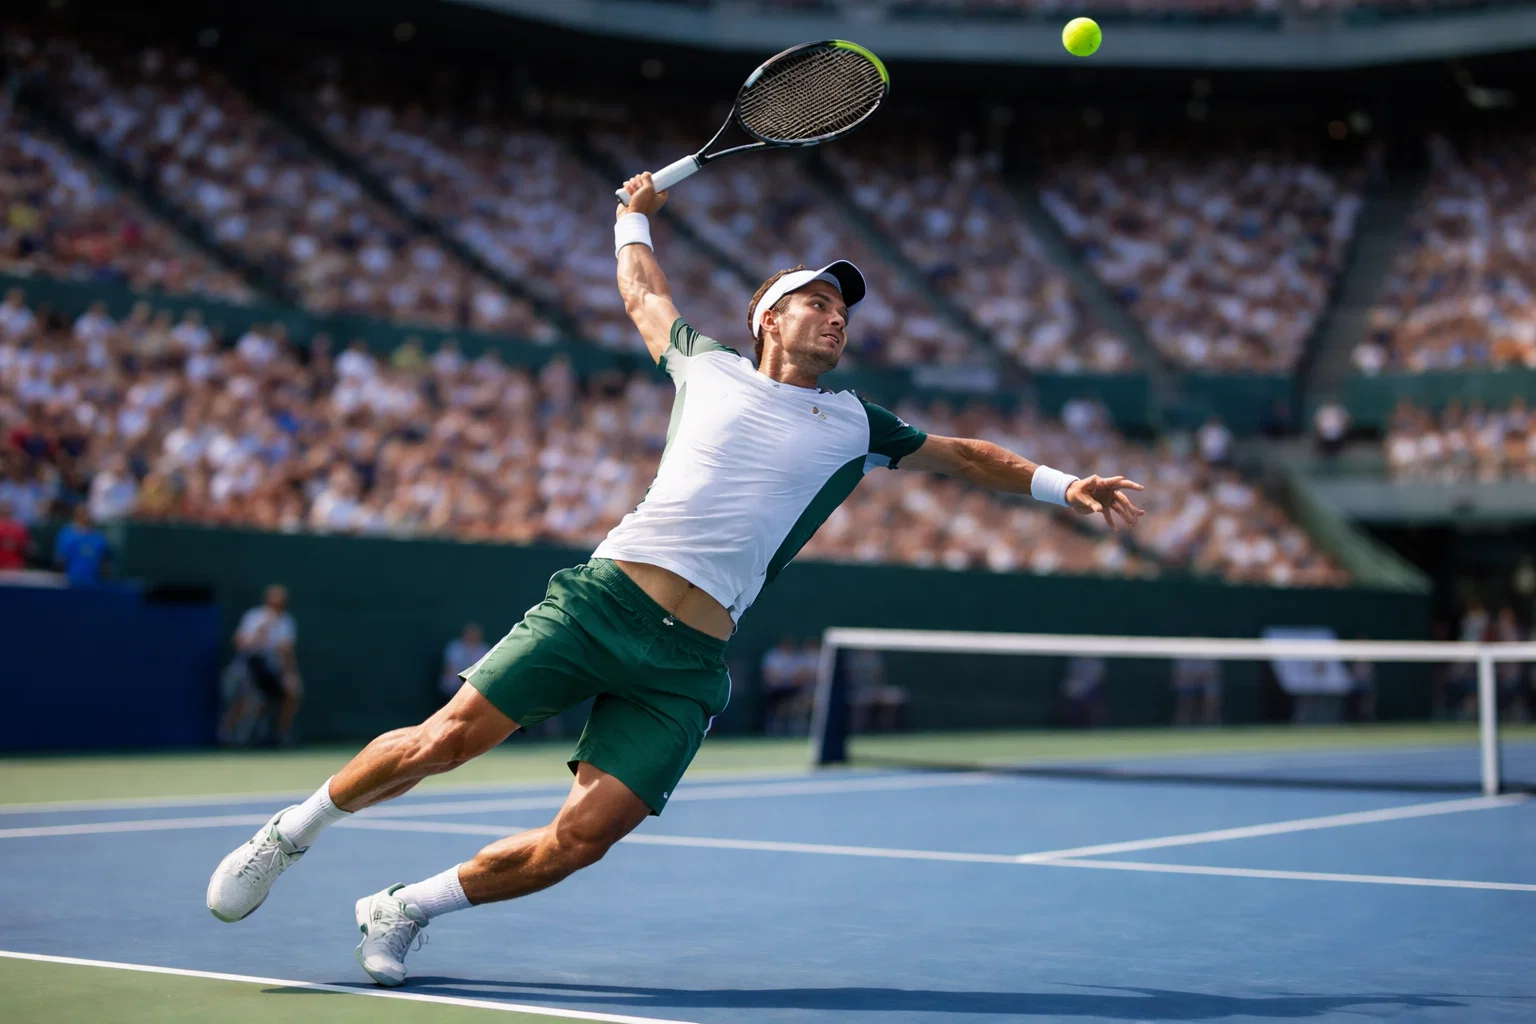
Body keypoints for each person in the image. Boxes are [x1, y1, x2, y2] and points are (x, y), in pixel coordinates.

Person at [206, 171, 1146, 987]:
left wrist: (1065, 487)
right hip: (603, 601)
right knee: (446, 741)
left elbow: (968, 454)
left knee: (581, 842)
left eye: (844, 309)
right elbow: (640, 291)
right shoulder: (707, 366)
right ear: (768, 316)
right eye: (817, 301)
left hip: (691, 660)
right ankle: (292, 831)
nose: (836, 316)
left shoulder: (860, 424)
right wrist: (635, 217)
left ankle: (403, 907)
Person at [217, 584, 302, 747]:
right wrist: (259, 632)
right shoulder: (254, 617)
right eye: (274, 602)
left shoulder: (286, 622)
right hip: (248, 666)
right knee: (242, 700)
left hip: (271, 669)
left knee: (291, 695)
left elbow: (286, 652)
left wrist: (290, 675)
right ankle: (226, 736)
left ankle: (280, 735)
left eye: (281, 603)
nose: (277, 606)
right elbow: (239, 642)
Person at [52, 505, 109, 586]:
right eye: (81, 513)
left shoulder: (98, 537)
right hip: (70, 583)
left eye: (86, 513)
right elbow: (60, 560)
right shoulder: (67, 534)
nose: (85, 516)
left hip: (93, 583)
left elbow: (104, 563)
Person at [440, 623, 489, 702]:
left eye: (475, 634)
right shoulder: (454, 647)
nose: (472, 636)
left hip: (474, 688)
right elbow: (449, 668)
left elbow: (484, 672)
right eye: (470, 633)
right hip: (452, 687)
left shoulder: (484, 649)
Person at [1171, 657, 1222, 726]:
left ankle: (1208, 723)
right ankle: (1183, 722)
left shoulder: (1209, 655)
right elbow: (1179, 675)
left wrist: (1199, 678)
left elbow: (1212, 675)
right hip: (1188, 683)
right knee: (1186, 692)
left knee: (1212, 690)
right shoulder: (1183, 656)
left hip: (1204, 683)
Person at [0, 500, 29, 572]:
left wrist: (16, 545)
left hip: (14, 565)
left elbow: (26, 546)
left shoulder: (19, 527)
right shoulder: (19, 527)